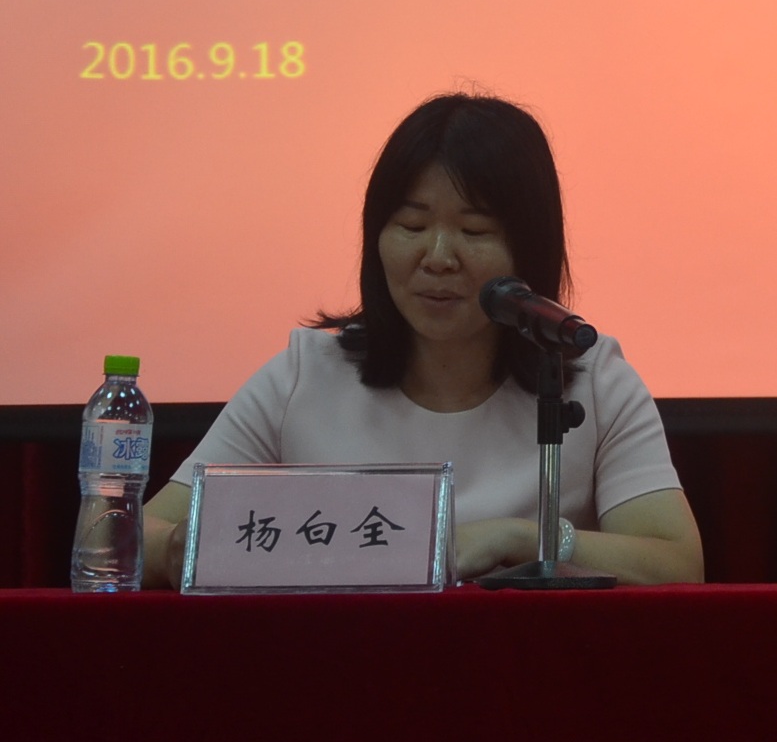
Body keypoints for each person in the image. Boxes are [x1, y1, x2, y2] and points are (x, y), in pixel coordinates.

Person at [143, 92, 704, 588]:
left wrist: (523, 539)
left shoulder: (593, 379)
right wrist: (186, 549)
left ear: (529, 249)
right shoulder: (306, 375)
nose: (437, 258)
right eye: (412, 226)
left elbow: (677, 562)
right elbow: (133, 535)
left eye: (474, 231)